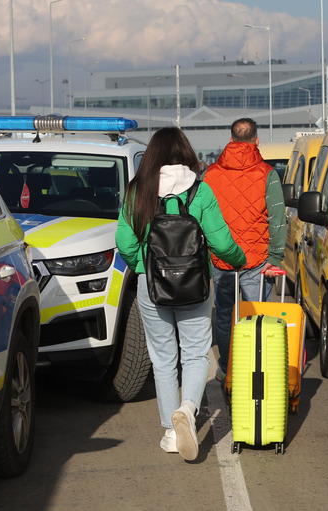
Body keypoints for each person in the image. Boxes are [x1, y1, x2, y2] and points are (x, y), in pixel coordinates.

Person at [115, 127, 246, 460]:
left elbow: (125, 242)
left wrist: (145, 268)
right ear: (186, 153)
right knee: (196, 353)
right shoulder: (200, 192)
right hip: (194, 284)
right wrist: (239, 259)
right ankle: (188, 409)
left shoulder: (137, 191)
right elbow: (220, 243)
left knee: (162, 359)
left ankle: (172, 433)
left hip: (151, 286)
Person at [203, 118, 286, 382]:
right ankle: (255, 371)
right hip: (257, 260)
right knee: (256, 318)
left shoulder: (211, 175)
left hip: (222, 259)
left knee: (225, 316)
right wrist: (275, 257)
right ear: (256, 140)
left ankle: (228, 370)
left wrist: (208, 258)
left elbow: (202, 219)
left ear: (230, 140)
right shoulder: (267, 174)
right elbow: (277, 219)